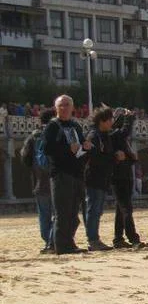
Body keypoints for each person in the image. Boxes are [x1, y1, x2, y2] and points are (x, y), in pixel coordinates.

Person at [44, 95, 90, 255]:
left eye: (67, 105)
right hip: (60, 174)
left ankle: (69, 243)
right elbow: (47, 149)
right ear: (56, 108)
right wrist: (66, 149)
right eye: (61, 105)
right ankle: (61, 246)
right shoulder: (52, 126)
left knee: (73, 214)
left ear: (72, 107)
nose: (64, 108)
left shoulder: (75, 126)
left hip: (76, 173)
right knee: (62, 212)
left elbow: (81, 148)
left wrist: (85, 146)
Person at [20, 108, 55, 253]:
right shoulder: (54, 134)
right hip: (55, 181)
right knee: (58, 214)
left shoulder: (33, 137)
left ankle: (47, 241)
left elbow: (25, 158)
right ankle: (52, 242)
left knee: (44, 215)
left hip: (39, 182)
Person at [83, 106, 116, 252]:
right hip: (94, 178)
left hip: (102, 178)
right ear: (102, 121)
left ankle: (94, 238)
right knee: (93, 210)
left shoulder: (104, 135)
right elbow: (95, 158)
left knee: (97, 210)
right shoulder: (94, 136)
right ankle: (93, 239)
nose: (111, 122)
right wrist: (113, 158)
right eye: (109, 119)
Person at [110, 108, 142, 249]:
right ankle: (133, 237)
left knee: (121, 209)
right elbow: (124, 131)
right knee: (126, 208)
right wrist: (129, 118)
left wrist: (130, 157)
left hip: (125, 175)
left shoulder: (119, 138)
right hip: (119, 177)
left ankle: (118, 238)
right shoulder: (114, 134)